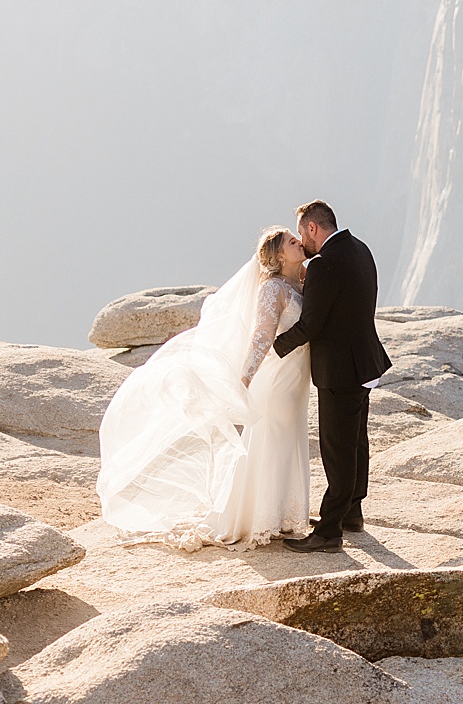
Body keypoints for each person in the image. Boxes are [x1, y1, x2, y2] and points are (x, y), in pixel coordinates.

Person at [95, 227, 312, 547]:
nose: (300, 243)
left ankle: (280, 514)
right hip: (277, 379)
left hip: (297, 378)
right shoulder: (272, 288)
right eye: (292, 242)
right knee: (271, 439)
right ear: (280, 255)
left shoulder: (302, 281)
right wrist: (246, 379)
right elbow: (261, 337)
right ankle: (258, 517)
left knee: (288, 437)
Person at [272, 200, 391, 552]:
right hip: (364, 361)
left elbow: (311, 324)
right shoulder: (359, 249)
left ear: (312, 228)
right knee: (355, 443)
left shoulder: (324, 264)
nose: (301, 243)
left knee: (337, 450)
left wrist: (274, 349)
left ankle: (328, 532)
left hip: (339, 370)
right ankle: (351, 512)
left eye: (301, 233)